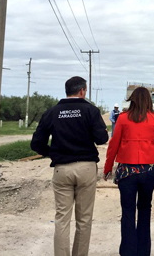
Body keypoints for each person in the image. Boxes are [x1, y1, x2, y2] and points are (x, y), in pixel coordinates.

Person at [31, 76, 108, 256]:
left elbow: (36, 144)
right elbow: (102, 139)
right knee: (84, 219)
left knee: (62, 219)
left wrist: (53, 153)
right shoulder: (90, 111)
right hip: (86, 168)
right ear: (82, 91)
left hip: (62, 169)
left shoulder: (52, 112)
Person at [103, 87, 154, 256]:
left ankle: (128, 251)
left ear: (133, 100)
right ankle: (144, 251)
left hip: (127, 173)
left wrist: (108, 167)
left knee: (128, 212)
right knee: (145, 210)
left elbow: (113, 145)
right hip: (149, 171)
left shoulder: (123, 119)